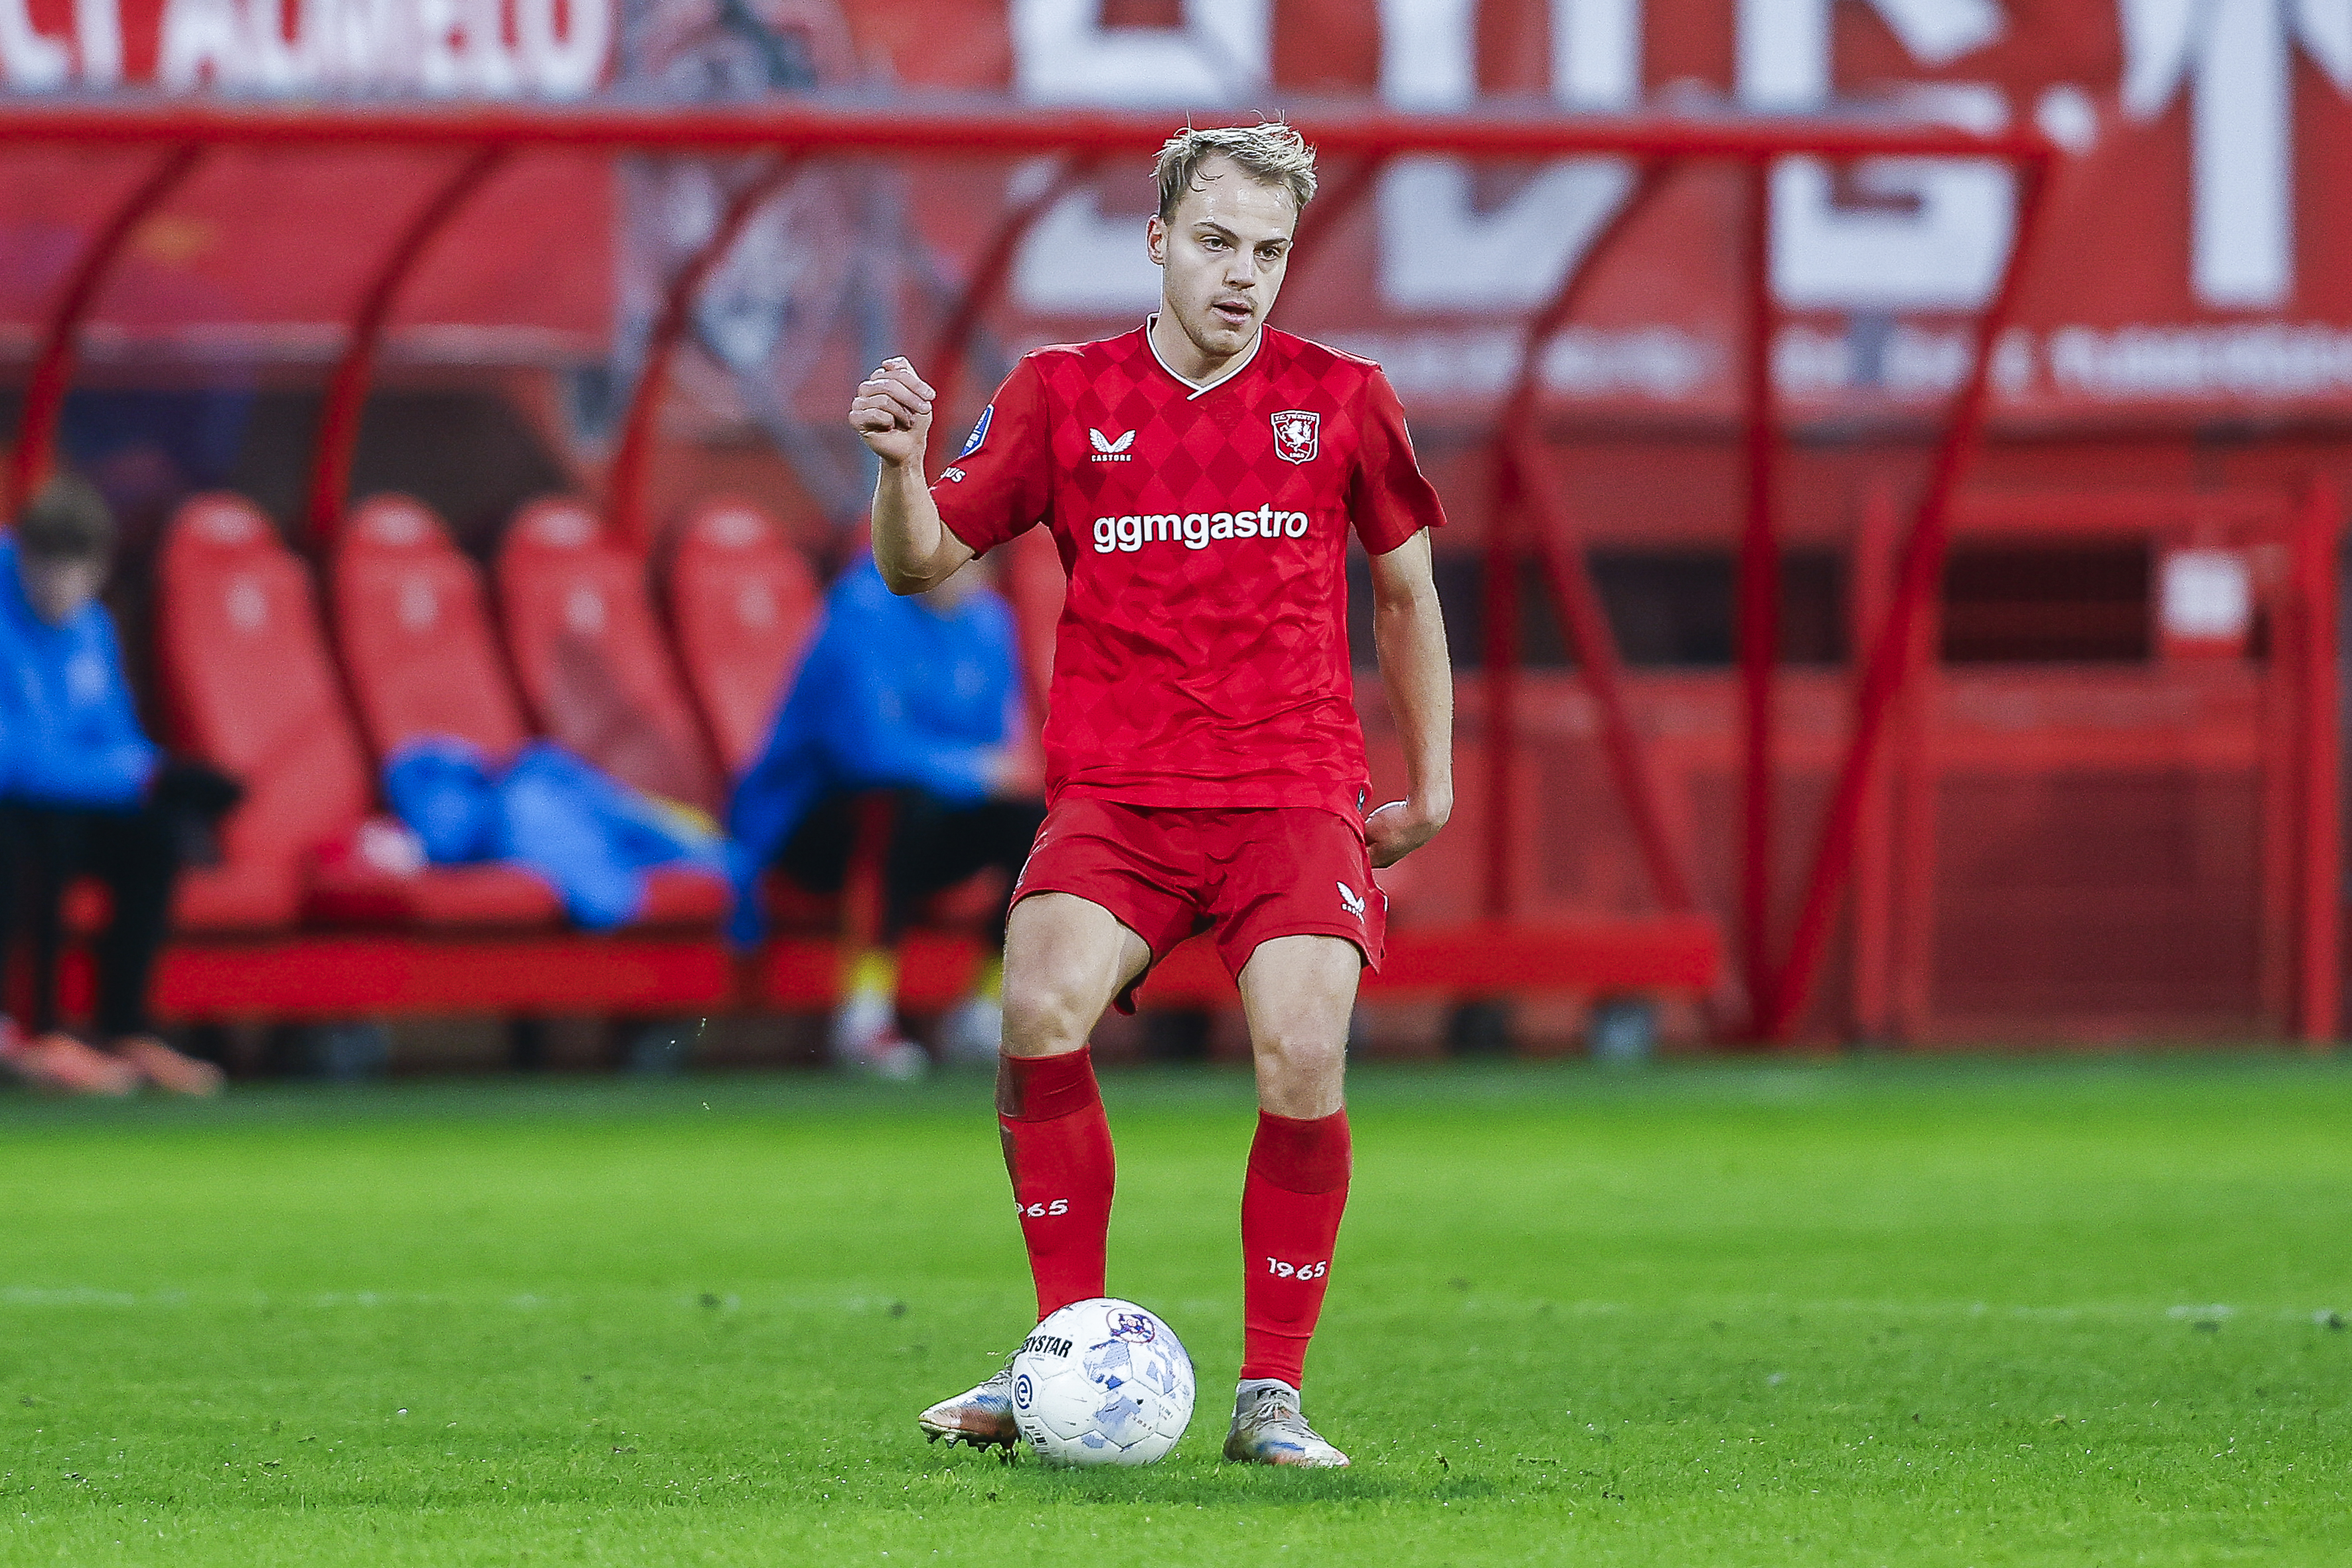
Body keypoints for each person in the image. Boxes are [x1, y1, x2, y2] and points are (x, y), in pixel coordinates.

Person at [848, 121, 1454, 1466]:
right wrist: (898, 470)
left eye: (1271, 251)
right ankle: (1065, 1350)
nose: (1244, 275)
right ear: (1157, 241)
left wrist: (1435, 782)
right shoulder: (1065, 395)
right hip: (1119, 794)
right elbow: (921, 559)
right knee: (1033, 997)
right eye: (1219, 242)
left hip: (1291, 787)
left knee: (1302, 1048)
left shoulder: (1343, 397)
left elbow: (1406, 590)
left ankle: (1268, 1395)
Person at [727, 553, 1045, 1078]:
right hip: (804, 827)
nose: (964, 569)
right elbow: (868, 752)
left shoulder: (990, 621)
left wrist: (978, 774)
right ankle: (864, 1017)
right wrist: (969, 769)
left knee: (1032, 822)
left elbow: (996, 751)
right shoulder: (862, 608)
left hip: (930, 822)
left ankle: (986, 1010)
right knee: (894, 805)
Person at [0, 477, 228, 1097]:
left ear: (99, 570)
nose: (61, 589)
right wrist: (126, 775)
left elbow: (120, 740)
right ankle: (29, 1035)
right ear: (21, 555)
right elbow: (11, 757)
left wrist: (165, 778)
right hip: (14, 814)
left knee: (155, 836)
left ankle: (123, 1029)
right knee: (21, 838)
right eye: (46, 570)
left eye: (77, 574)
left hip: (67, 805)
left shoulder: (93, 627)